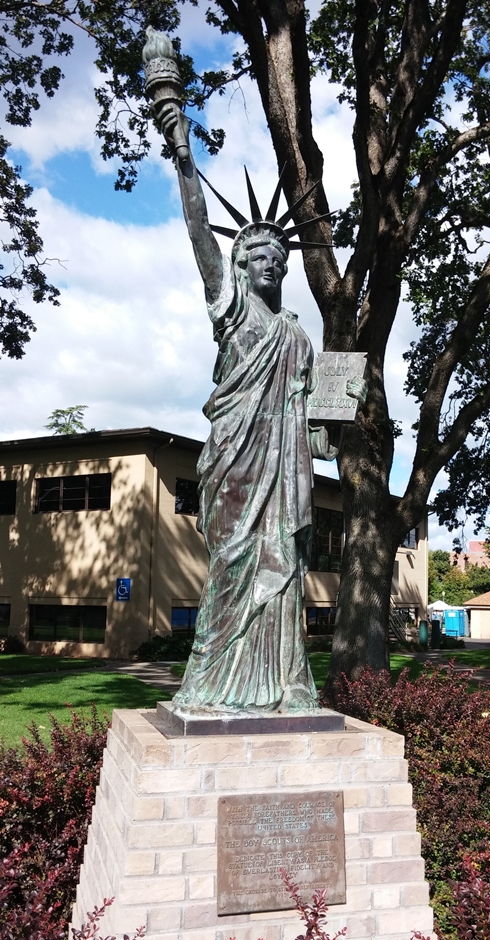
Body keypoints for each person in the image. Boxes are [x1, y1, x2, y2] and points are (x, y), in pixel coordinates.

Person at [157, 102, 363, 714]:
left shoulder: (298, 335)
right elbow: (199, 233)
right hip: (235, 463)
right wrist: (183, 152)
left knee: (283, 572)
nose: (272, 261)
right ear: (241, 265)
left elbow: (308, 417)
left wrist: (336, 423)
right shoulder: (232, 309)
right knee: (232, 568)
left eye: (280, 256)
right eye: (259, 255)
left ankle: (283, 686)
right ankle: (210, 684)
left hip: (286, 471)